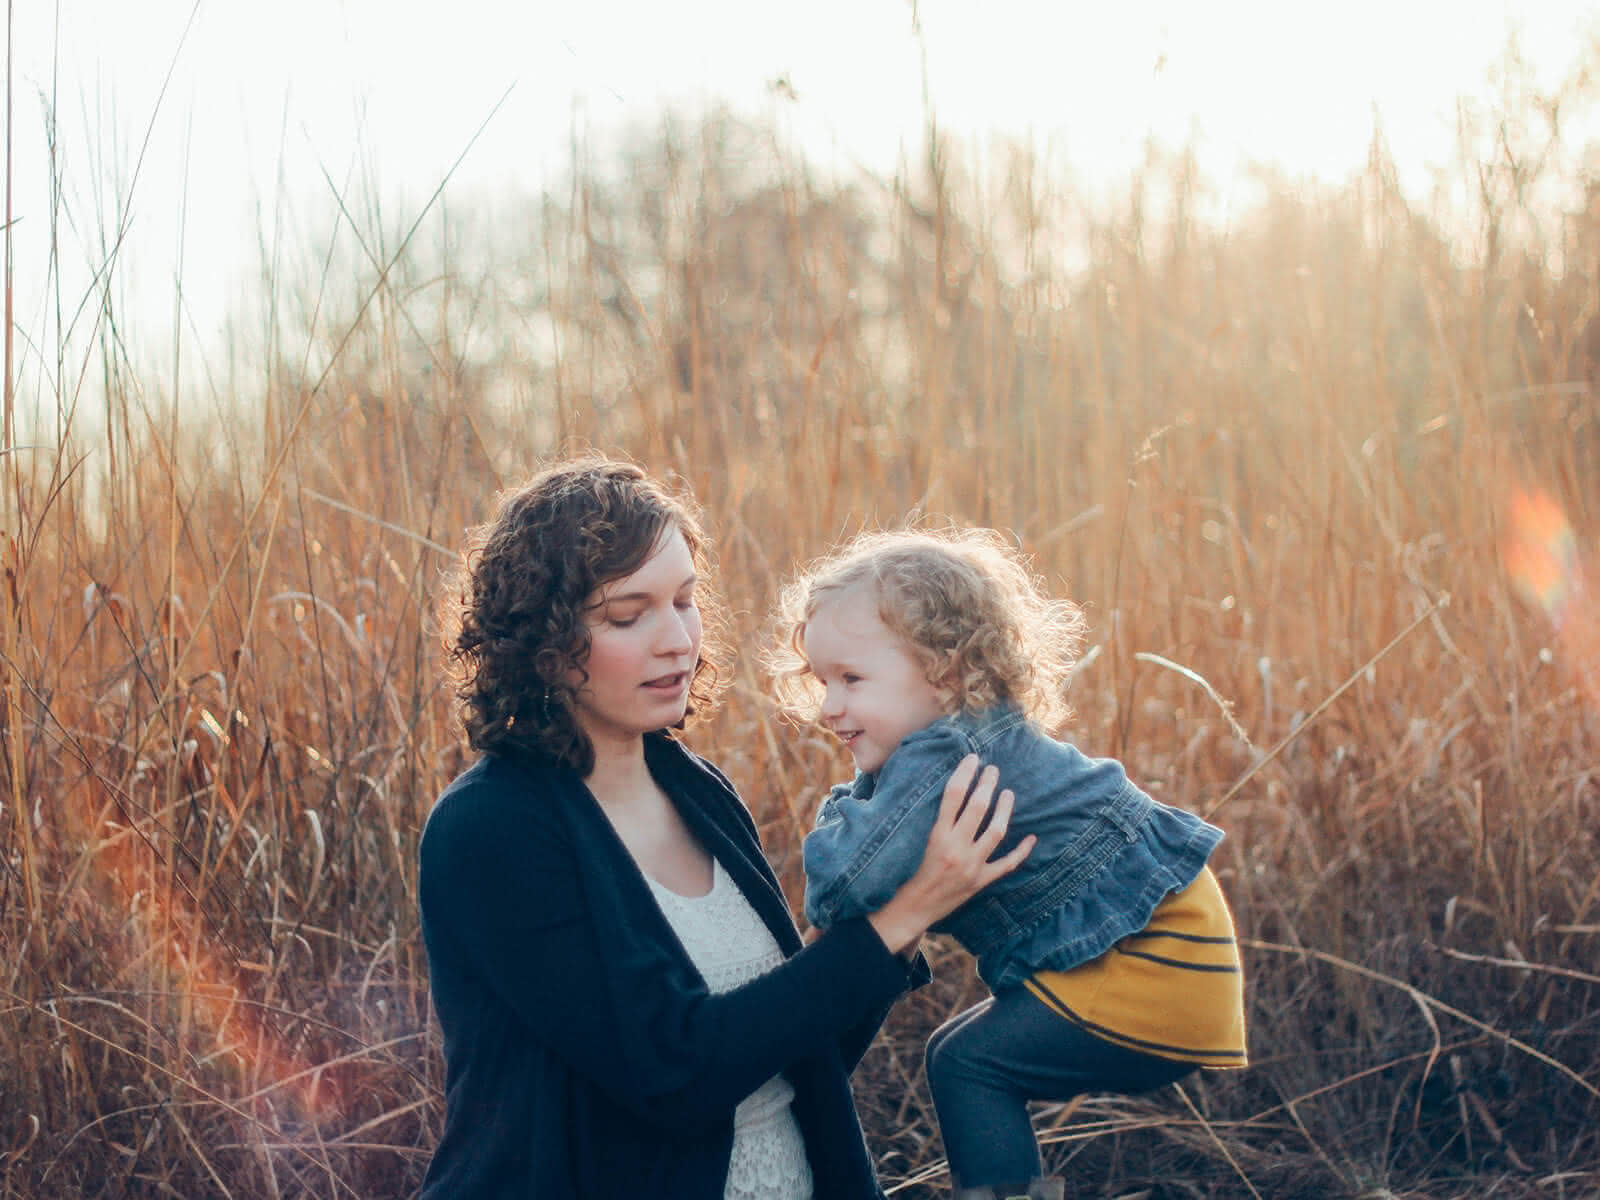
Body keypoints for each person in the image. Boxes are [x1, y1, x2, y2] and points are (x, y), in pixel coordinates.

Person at [418, 457, 1034, 1200]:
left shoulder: (696, 789)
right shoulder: (491, 830)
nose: (676, 639)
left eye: (684, 600)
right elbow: (671, 1075)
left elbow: (795, 1055)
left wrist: (903, 907)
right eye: (627, 614)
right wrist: (904, 914)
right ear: (541, 641)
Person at [769, 527, 1248, 1200]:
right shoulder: (976, 736)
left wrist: (844, 808)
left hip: (1154, 963)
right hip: (1180, 953)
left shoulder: (940, 756)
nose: (829, 707)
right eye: (822, 681)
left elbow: (845, 882)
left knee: (970, 1066)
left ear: (945, 670)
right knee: (954, 1055)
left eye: (851, 679)